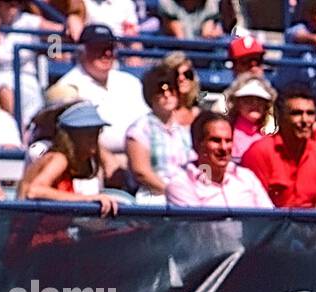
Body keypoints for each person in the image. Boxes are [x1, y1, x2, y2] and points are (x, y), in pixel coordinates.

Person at [54, 24, 148, 155]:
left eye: (110, 48)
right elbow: (72, 138)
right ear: (82, 51)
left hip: (139, 156)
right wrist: (106, 159)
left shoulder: (131, 82)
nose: (107, 53)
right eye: (99, 48)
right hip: (94, 162)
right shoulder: (68, 86)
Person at [18, 102, 122, 215]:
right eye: (88, 133)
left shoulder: (68, 164)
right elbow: (35, 191)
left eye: (96, 132)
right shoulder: (59, 159)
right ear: (72, 136)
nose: (94, 139)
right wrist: (89, 199)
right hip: (32, 231)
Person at [242, 85, 316, 209]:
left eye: (310, 113)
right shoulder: (258, 153)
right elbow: (255, 208)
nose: (305, 120)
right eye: (296, 113)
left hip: (311, 226)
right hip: (271, 225)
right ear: (281, 117)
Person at [165, 111, 272, 208]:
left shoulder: (247, 178)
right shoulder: (181, 184)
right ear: (197, 144)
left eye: (228, 140)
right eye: (216, 140)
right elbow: (198, 228)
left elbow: (270, 220)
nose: (224, 148)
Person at [125, 65, 191, 204]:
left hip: (185, 195)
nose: (167, 95)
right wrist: (173, 193)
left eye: (171, 89)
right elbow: (141, 172)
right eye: (160, 91)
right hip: (154, 198)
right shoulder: (139, 129)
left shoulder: (183, 131)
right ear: (150, 96)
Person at [225, 73, 276, 163]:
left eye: (260, 100)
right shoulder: (227, 135)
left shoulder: (268, 137)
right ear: (237, 103)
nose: (254, 104)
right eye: (247, 100)